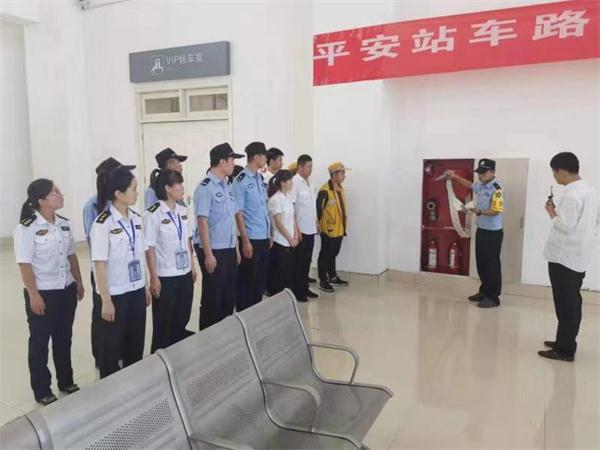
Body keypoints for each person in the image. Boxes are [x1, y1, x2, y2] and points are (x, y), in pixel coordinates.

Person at [14, 179, 85, 405]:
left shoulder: (64, 224)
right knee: (40, 342)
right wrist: (33, 295)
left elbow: (71, 255)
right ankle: (42, 389)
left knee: (64, 338)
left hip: (66, 289)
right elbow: (24, 264)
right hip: (43, 293)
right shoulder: (27, 228)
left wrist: (79, 282)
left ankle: (66, 380)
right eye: (55, 192)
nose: (60, 194)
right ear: (41, 200)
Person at [90, 166, 151, 378]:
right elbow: (99, 264)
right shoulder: (103, 224)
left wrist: (144, 286)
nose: (137, 192)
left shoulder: (136, 219)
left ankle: (134, 383)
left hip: (136, 291)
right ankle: (112, 390)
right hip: (115, 295)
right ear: (118, 194)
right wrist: (106, 301)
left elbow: (140, 256)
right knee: (111, 349)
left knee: (135, 343)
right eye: (133, 188)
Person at [540, 152, 599, 362]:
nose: (554, 176)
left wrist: (551, 211)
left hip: (564, 258)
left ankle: (565, 350)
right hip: (578, 255)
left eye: (554, 172)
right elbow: (595, 221)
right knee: (572, 302)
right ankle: (563, 341)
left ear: (563, 171)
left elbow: (565, 225)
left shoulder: (572, 195)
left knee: (566, 305)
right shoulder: (590, 191)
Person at [82, 157, 135, 367]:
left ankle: (121, 352)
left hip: (123, 270)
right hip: (102, 269)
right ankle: (102, 356)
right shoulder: (93, 206)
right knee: (102, 315)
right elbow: (94, 242)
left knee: (122, 318)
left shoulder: (124, 205)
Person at [144, 170, 197, 352]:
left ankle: (178, 355)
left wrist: (192, 266)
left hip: (184, 272)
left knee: (182, 318)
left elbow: (187, 240)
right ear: (168, 188)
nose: (183, 188)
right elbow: (149, 247)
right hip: (166, 276)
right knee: (163, 325)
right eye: (179, 184)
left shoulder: (182, 210)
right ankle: (159, 360)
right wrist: (154, 277)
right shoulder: (153, 214)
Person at [193, 143, 244, 330]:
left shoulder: (227, 186)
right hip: (214, 250)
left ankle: (225, 335)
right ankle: (209, 339)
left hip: (228, 248)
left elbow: (231, 219)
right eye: (232, 160)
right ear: (222, 162)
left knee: (228, 296)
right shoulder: (205, 188)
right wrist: (208, 254)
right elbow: (202, 222)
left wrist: (236, 248)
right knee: (213, 298)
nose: (234, 164)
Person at [444, 159, 505, 308]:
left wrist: (478, 211)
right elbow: (469, 185)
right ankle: (484, 292)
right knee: (482, 264)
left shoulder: (497, 188)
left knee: (491, 266)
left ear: (492, 172)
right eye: (479, 172)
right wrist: (454, 176)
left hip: (493, 233)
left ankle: (493, 297)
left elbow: (495, 211)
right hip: (482, 230)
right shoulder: (482, 186)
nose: (480, 175)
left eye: (484, 172)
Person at [233, 142, 271, 311]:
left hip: (263, 237)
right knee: (247, 282)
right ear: (256, 157)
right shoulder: (240, 181)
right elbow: (238, 213)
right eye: (264, 156)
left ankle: (255, 315)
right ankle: (245, 316)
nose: (266, 159)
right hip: (250, 239)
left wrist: (269, 233)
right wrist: (245, 240)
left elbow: (263, 209)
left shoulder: (259, 179)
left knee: (260, 282)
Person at [316, 162, 351, 293]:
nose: (344, 176)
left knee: (333, 254)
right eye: (342, 173)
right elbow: (318, 211)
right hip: (328, 230)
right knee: (325, 255)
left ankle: (333, 277)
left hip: (339, 229)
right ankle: (323, 280)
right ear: (334, 174)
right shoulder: (325, 191)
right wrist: (319, 227)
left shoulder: (340, 188)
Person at [291, 155, 319, 302]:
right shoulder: (294, 183)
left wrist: (316, 221)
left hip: (311, 227)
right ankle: (297, 291)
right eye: (308, 166)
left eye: (311, 166)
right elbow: (292, 207)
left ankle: (304, 287)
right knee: (298, 262)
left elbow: (312, 205)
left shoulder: (310, 182)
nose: (310, 169)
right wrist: (296, 229)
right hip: (300, 229)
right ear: (300, 167)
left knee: (307, 260)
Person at [267, 170, 298, 296]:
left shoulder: (288, 198)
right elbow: (279, 223)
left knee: (287, 276)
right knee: (278, 277)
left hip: (290, 242)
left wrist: (295, 235)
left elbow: (292, 218)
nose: (292, 183)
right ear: (283, 183)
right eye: (290, 180)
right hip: (280, 242)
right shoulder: (275, 199)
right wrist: (290, 239)